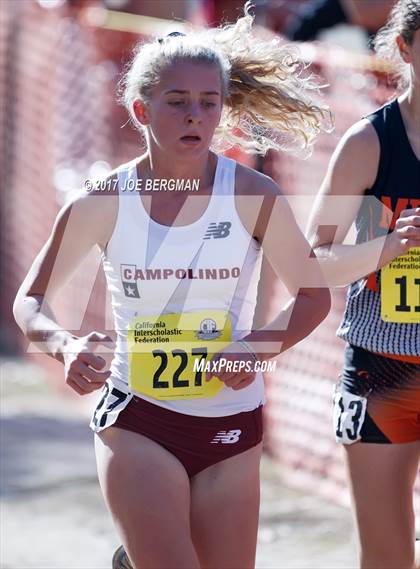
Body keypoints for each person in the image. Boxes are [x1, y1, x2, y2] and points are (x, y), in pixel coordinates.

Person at [13, 3, 331, 568]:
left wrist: (254, 349)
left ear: (223, 111)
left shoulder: (254, 195)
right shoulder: (103, 201)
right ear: (142, 109)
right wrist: (65, 345)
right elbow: (30, 301)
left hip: (232, 421)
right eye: (177, 103)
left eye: (209, 104)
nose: (195, 117)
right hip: (141, 416)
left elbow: (314, 296)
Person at [307, 1, 420, 568]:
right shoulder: (370, 143)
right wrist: (387, 247)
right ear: (406, 48)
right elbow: (310, 263)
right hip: (384, 367)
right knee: (387, 555)